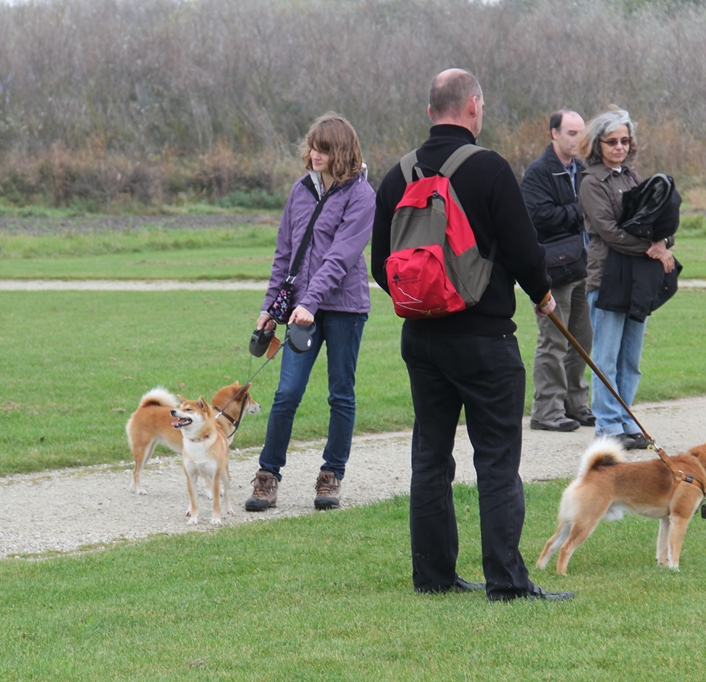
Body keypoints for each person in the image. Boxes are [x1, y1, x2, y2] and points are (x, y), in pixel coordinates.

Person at [371, 69, 573, 602]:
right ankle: (506, 581)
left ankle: (433, 576)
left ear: (431, 110)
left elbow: (379, 265)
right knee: (497, 461)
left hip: (420, 340)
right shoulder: (488, 169)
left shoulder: (396, 176)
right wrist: (543, 294)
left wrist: (425, 300)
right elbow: (525, 250)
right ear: (474, 107)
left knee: (430, 458)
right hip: (485, 340)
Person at [245, 113, 375, 512]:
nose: (313, 154)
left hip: (343, 308)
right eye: (312, 147)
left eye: (323, 148)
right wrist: (271, 308)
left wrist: (309, 303)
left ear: (341, 152)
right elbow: (284, 254)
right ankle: (268, 475)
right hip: (301, 308)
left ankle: (331, 475)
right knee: (286, 393)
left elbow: (339, 258)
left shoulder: (362, 196)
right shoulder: (300, 191)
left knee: (341, 394)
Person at [578, 107, 675, 450]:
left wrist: (663, 242)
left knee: (630, 359)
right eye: (612, 141)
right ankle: (607, 426)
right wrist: (653, 249)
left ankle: (624, 420)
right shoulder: (592, 182)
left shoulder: (632, 177)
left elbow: (653, 221)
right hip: (606, 279)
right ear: (598, 145)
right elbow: (609, 232)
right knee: (605, 357)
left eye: (624, 140)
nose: (619, 147)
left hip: (636, 279)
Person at [521, 109, 594, 433]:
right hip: (553, 268)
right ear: (554, 134)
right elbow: (538, 216)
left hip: (583, 265)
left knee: (582, 339)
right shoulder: (539, 172)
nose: (577, 139)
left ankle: (576, 404)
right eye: (571, 133)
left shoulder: (583, 169)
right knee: (553, 340)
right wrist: (580, 209)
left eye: (581, 132)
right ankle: (546, 409)